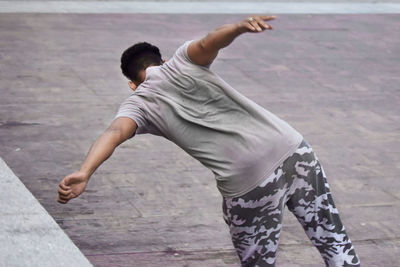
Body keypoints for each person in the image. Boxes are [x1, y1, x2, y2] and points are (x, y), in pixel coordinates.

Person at [57, 15, 361, 267]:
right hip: (293, 149)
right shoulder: (180, 62)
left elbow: (113, 134)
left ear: (132, 84)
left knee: (258, 262)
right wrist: (241, 27)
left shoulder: (137, 104)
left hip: (249, 181)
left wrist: (85, 171)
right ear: (160, 60)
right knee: (334, 240)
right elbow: (210, 41)